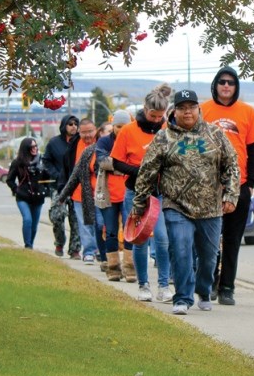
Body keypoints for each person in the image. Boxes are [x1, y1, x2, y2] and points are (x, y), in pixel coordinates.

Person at [132, 89, 240, 315]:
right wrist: (140, 203)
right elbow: (147, 171)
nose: (187, 112)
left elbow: (231, 165)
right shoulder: (164, 137)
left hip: (211, 208)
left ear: (199, 109)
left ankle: (203, 289)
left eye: (191, 107)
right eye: (182, 108)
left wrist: (231, 194)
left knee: (209, 257)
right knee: (181, 249)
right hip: (176, 206)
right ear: (174, 111)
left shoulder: (215, 134)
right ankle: (182, 297)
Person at [201, 66, 254, 306]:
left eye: (231, 82)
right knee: (209, 239)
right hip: (208, 185)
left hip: (237, 186)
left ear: (236, 87)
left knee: (232, 239)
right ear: (215, 85)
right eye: (222, 82)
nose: (226, 86)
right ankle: (210, 282)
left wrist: (249, 184)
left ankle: (227, 287)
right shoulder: (203, 110)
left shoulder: (248, 112)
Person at [111, 84, 173, 301]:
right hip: (135, 192)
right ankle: (143, 284)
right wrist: (141, 172)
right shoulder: (129, 131)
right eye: (153, 115)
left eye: (160, 116)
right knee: (140, 239)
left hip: (161, 193)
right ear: (145, 109)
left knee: (163, 239)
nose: (156, 119)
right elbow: (117, 162)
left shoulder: (168, 130)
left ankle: (164, 284)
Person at [57, 118, 104, 264]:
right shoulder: (74, 146)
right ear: (79, 132)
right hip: (80, 193)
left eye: (90, 131)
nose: (87, 135)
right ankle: (89, 251)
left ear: (95, 130)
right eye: (84, 132)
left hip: (100, 193)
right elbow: (70, 170)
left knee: (100, 223)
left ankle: (100, 250)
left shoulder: (102, 144)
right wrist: (63, 191)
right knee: (84, 224)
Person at [94, 109, 132, 280]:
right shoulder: (103, 142)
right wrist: (125, 166)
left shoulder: (132, 140)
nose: (121, 130)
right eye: (118, 126)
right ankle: (113, 267)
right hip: (108, 193)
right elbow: (102, 162)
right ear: (113, 126)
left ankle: (130, 267)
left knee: (129, 230)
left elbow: (137, 160)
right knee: (110, 231)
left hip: (128, 193)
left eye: (124, 126)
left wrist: (115, 164)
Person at [43, 115, 82, 258]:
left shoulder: (80, 142)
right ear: (64, 126)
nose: (73, 126)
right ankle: (59, 242)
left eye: (75, 124)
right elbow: (46, 161)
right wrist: (56, 174)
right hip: (59, 186)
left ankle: (75, 249)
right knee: (57, 215)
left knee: (76, 219)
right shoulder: (54, 143)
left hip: (77, 186)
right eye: (70, 124)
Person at [6, 137, 46, 249]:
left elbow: (47, 177)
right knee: (27, 219)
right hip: (23, 197)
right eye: (31, 147)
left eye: (36, 146)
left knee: (34, 225)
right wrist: (16, 190)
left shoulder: (42, 161)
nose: (35, 148)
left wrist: (45, 188)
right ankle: (27, 245)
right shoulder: (18, 163)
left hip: (38, 198)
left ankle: (31, 244)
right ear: (25, 148)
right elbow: (9, 180)